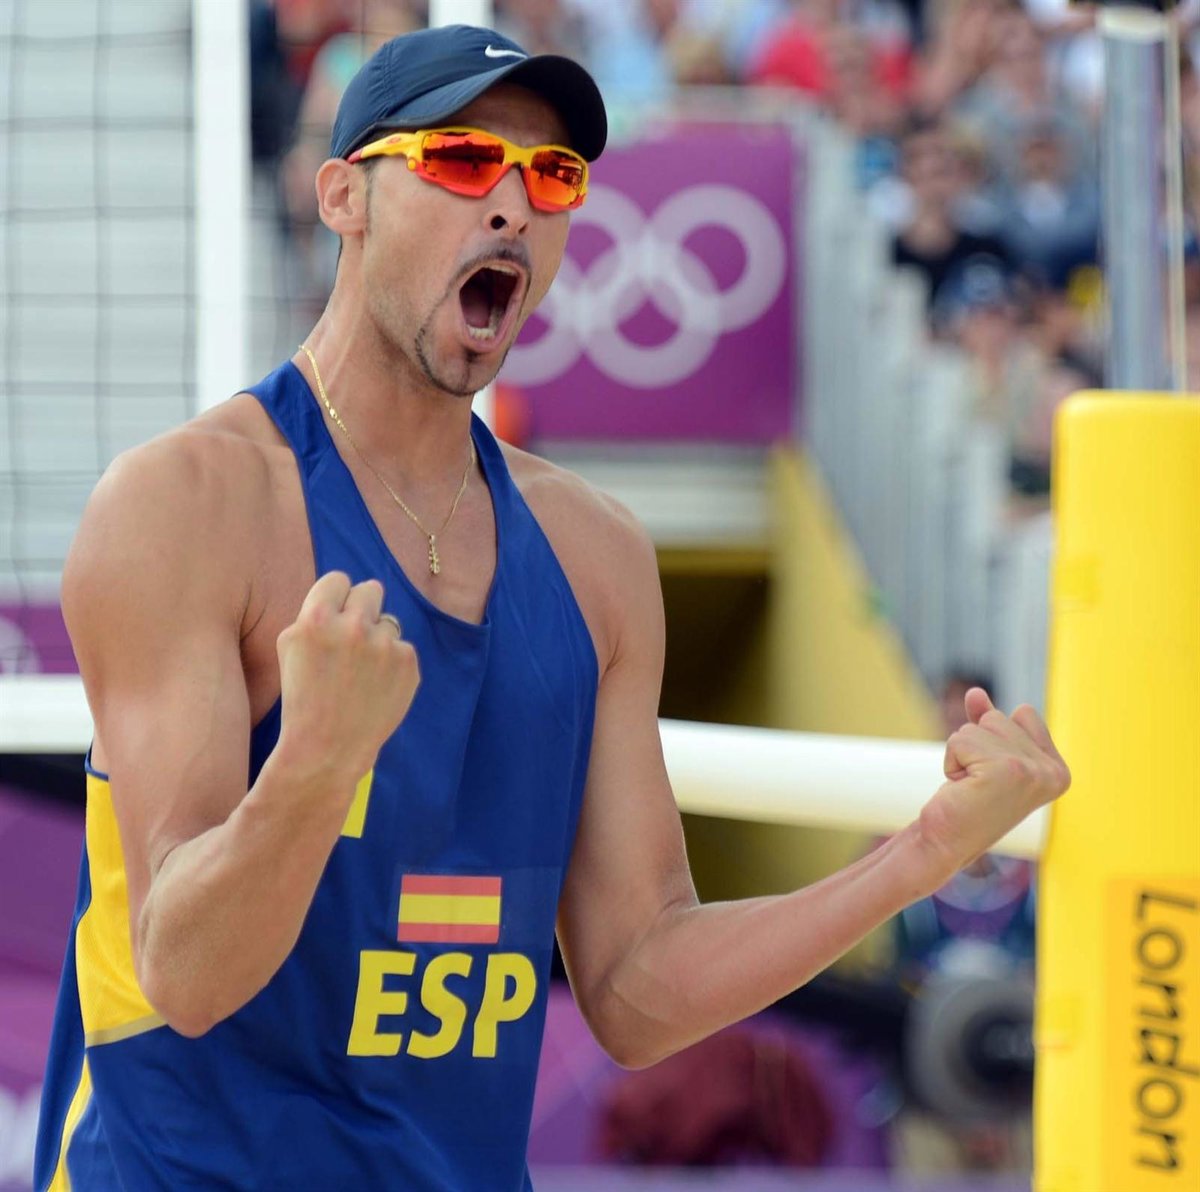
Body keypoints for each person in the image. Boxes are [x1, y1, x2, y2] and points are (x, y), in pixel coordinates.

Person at [34, 23, 1070, 1191]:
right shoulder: (187, 503)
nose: (513, 206)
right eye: (463, 160)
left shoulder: (595, 556)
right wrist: (316, 763)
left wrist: (924, 852)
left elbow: (632, 985)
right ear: (342, 198)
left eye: (554, 176)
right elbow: (184, 973)